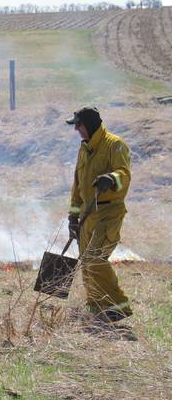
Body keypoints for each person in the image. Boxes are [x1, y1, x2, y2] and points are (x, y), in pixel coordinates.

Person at [66, 106, 132, 322]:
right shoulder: (84, 148)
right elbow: (77, 185)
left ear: (90, 125)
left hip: (108, 212)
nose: (76, 129)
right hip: (87, 214)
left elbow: (124, 174)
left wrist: (111, 178)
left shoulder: (115, 145)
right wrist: (73, 217)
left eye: (79, 125)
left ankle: (117, 307)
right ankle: (97, 306)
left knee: (95, 258)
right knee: (86, 261)